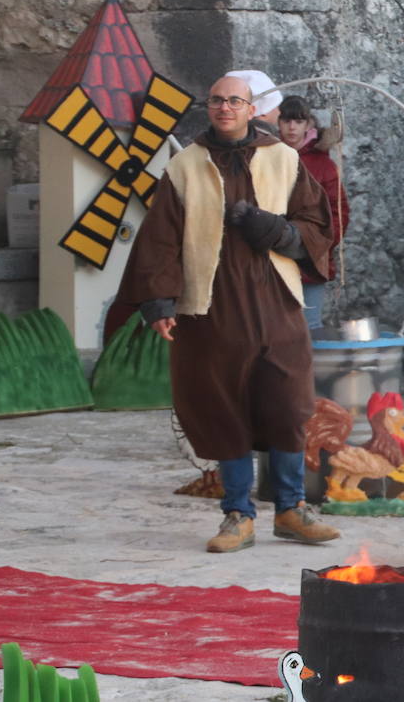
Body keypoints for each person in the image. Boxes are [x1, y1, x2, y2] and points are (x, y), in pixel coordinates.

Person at [117, 74, 339, 552]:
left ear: (251, 107)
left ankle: (291, 509)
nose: (223, 108)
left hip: (275, 303)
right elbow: (159, 239)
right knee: (222, 408)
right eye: (216, 100)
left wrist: (277, 233)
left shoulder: (283, 159)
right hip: (209, 309)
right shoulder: (185, 166)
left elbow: (317, 222)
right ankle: (237, 515)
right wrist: (158, 301)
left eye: (233, 101)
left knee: (288, 404)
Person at [277, 95, 350, 329]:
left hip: (312, 257)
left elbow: (339, 211)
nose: (291, 127)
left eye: (298, 121)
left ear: (308, 124)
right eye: (286, 120)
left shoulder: (323, 165)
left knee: (309, 326)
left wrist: (321, 244)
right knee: (275, 324)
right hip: (274, 255)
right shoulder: (268, 158)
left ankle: (310, 367)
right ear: (278, 122)